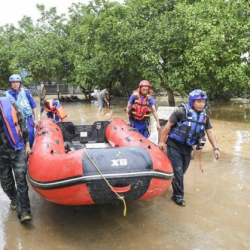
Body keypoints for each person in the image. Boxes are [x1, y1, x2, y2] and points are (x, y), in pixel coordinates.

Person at [158, 89, 221, 206]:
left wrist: (216, 148)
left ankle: (170, 181)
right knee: (178, 170)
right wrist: (162, 142)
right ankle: (178, 196)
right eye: (199, 102)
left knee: (182, 171)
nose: (201, 104)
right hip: (174, 144)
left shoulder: (204, 117)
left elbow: (210, 132)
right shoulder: (181, 112)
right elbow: (167, 127)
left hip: (187, 147)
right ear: (192, 102)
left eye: (203, 102)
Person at [0, 97, 32, 222]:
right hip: (1, 153)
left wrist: (27, 144)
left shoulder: (9, 102)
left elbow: (22, 122)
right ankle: (14, 199)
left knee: (21, 180)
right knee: (6, 183)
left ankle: (24, 211)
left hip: (17, 148)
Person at [5, 74, 38, 147]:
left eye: (17, 82)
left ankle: (30, 154)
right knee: (18, 139)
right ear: (11, 83)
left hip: (28, 119)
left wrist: (35, 119)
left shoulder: (26, 92)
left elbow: (34, 106)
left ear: (20, 83)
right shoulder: (6, 95)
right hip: (15, 121)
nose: (15, 84)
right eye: (13, 82)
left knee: (30, 137)